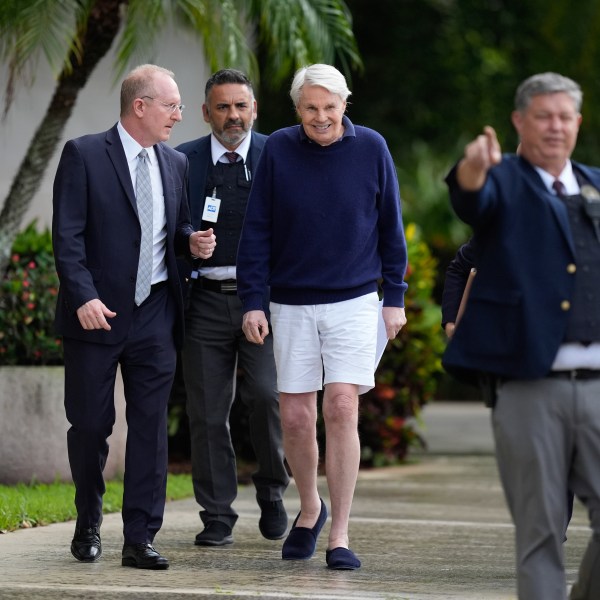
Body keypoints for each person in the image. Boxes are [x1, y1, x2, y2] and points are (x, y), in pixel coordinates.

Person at [236, 63, 408, 570]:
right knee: (294, 415)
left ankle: (340, 534)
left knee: (340, 407)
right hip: (290, 301)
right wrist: (252, 299)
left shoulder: (372, 147)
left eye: (330, 107)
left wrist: (394, 296)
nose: (321, 117)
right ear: (297, 109)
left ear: (344, 104)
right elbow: (258, 229)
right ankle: (310, 508)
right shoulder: (280, 150)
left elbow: (390, 226)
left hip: (355, 300)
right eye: (310, 108)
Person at [443, 72, 600, 599]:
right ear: (519, 121)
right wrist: (473, 169)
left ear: (578, 123)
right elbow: (472, 200)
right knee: (540, 533)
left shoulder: (596, 185)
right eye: (543, 116)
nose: (555, 126)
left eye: (564, 116)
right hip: (530, 387)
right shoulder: (503, 180)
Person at [52, 64, 216, 570]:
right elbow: (68, 236)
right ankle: (88, 519)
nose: (179, 114)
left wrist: (191, 241)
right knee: (90, 426)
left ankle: (140, 536)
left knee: (150, 428)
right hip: (95, 315)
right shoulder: (84, 154)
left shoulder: (175, 163)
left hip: (156, 314)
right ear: (139, 106)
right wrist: (82, 296)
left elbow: (177, 223)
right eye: (171, 105)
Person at [175, 69, 289, 547]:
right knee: (205, 412)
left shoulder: (278, 156)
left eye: (241, 106)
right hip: (204, 300)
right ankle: (217, 513)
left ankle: (272, 489)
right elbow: (169, 225)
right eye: (222, 107)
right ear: (206, 113)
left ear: (255, 109)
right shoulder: (182, 160)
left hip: (260, 301)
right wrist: (188, 242)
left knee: (264, 396)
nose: (233, 116)